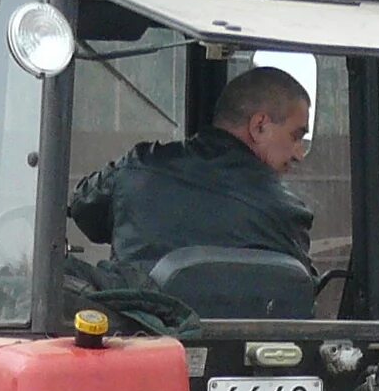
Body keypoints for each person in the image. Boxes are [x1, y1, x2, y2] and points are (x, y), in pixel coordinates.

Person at [68, 64, 315, 282]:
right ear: (259, 126)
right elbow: (300, 294)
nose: (299, 154)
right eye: (296, 136)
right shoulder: (285, 214)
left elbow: (82, 210)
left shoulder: (136, 169)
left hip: (135, 333)